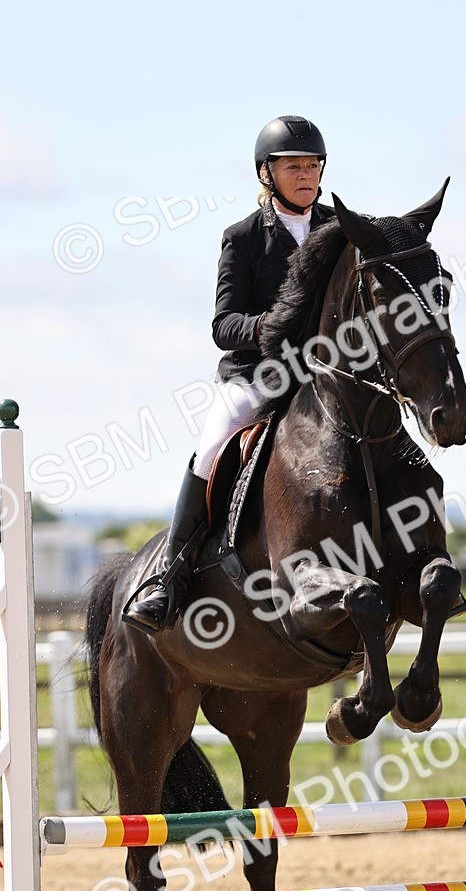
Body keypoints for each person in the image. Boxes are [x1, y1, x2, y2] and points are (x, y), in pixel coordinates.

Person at [124, 115, 336, 634]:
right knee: (211, 448)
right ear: (267, 174)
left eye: (312, 166)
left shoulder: (339, 228)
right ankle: (171, 575)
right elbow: (223, 325)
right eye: (292, 167)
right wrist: (268, 326)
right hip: (257, 378)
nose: (305, 175)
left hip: (322, 374)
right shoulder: (242, 238)